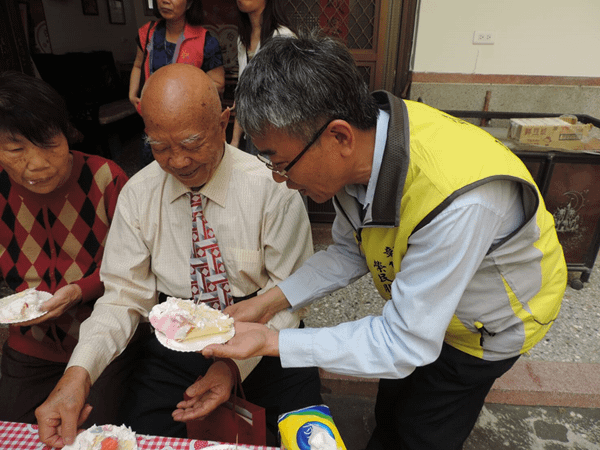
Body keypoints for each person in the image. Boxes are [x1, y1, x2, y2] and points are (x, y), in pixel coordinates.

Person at [201, 33, 568, 450]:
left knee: (425, 426)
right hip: (427, 307)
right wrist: (267, 303)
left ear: (339, 137)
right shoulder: (367, 142)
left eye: (282, 164)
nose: (280, 181)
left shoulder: (456, 200)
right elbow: (347, 251)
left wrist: (272, 340)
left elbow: (404, 342)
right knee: (393, 400)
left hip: (490, 325)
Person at [36, 63, 322, 448]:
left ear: (224, 122)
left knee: (305, 438)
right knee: (140, 437)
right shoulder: (138, 195)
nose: (178, 161)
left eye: (191, 143)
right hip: (176, 339)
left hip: (266, 332)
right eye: (160, 146)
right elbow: (123, 298)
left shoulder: (272, 188)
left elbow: (290, 295)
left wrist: (231, 367)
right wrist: (78, 374)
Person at [0, 71, 130, 425]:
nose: (37, 163)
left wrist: (79, 291)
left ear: (68, 135)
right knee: (14, 432)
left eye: (50, 145)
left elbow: (133, 268)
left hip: (102, 339)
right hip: (30, 346)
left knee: (94, 435)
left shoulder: (106, 179)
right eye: (16, 150)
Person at [129, 0, 226, 166]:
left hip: (188, 124)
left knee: (185, 166)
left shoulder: (206, 40)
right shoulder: (148, 33)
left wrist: (186, 90)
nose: (165, 1)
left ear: (189, 4)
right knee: (153, 170)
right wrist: (132, 94)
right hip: (153, 120)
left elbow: (218, 83)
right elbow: (138, 65)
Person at [229, 0, 296, 153]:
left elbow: (289, 97)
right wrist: (234, 141)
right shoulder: (242, 39)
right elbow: (243, 91)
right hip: (252, 134)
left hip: (277, 134)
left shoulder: (283, 37)